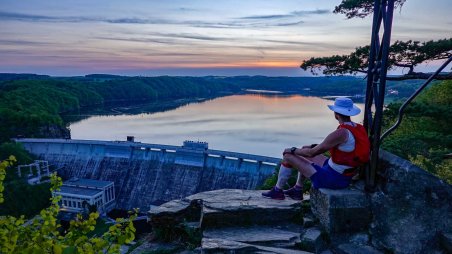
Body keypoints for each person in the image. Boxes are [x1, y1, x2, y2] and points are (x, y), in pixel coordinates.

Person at [262, 97, 370, 200]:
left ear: (336, 114)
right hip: (340, 172)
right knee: (304, 149)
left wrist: (293, 150)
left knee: (287, 156)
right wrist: (311, 147)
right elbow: (339, 146)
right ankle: (297, 189)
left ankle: (277, 191)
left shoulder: (341, 133)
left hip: (333, 178)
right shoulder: (357, 128)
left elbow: (311, 153)